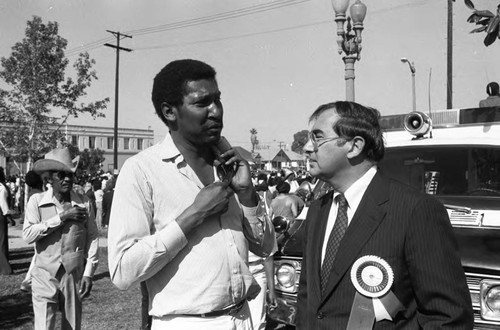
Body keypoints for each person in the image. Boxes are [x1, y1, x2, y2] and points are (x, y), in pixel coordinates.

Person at [107, 59, 276, 330]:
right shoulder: (142, 170)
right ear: (170, 112)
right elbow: (123, 271)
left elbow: (265, 248)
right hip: (186, 322)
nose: (216, 111)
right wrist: (195, 214)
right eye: (202, 103)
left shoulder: (228, 165)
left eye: (218, 101)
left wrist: (247, 196)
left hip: (244, 318)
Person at [296, 101, 473, 329]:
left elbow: (448, 317)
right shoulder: (318, 209)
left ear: (354, 146)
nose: (308, 148)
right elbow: (307, 297)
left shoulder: (415, 210)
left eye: (318, 137)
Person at [23, 147, 99, 330]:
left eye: (70, 175)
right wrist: (62, 218)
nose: (67, 179)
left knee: (72, 325)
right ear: (48, 179)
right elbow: (28, 235)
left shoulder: (83, 202)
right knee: (43, 326)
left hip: (73, 275)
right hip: (44, 275)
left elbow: (92, 237)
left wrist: (89, 273)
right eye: (61, 175)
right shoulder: (36, 202)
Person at [19, 170, 45, 292]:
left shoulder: (31, 194)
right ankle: (28, 281)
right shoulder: (38, 196)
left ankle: (28, 280)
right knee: (38, 255)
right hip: (40, 229)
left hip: (37, 228)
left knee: (37, 255)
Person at [0, 166, 14, 275]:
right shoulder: (1, 187)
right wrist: (9, 217)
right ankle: (5, 268)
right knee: (2, 241)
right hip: (0, 216)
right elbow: (3, 204)